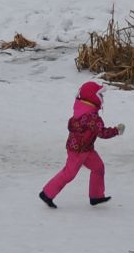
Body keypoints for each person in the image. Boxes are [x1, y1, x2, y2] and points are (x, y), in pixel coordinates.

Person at [39, 80, 123, 208]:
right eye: (101, 95)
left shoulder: (81, 109)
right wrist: (117, 130)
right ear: (93, 97)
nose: (103, 98)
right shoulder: (92, 117)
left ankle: (96, 196)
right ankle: (47, 193)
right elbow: (102, 133)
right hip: (77, 151)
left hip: (86, 149)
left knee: (98, 167)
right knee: (69, 173)